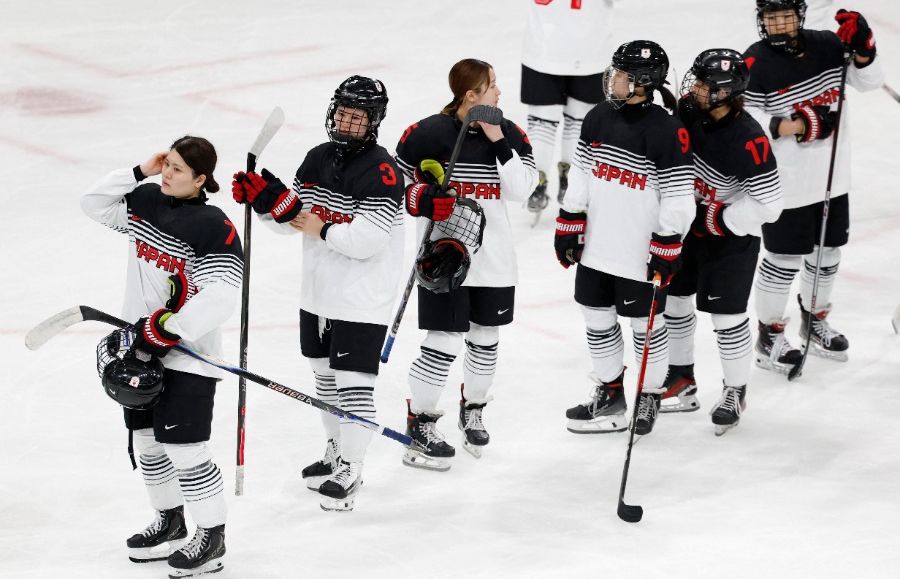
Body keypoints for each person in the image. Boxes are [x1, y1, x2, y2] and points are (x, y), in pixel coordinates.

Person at [232, 76, 404, 511]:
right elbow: (292, 219)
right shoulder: (316, 159)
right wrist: (268, 203)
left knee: (353, 386)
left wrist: (318, 225)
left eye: (357, 117)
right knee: (324, 379)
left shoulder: (383, 171)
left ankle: (352, 466)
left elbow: (367, 240)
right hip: (318, 293)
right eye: (343, 113)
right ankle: (335, 450)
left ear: (373, 122)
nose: (346, 123)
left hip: (363, 297)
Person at [81, 136, 241, 577]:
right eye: (166, 164)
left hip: (188, 356)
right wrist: (137, 172)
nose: (167, 174)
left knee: (185, 450)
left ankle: (212, 536)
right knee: (148, 445)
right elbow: (92, 203)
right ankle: (170, 522)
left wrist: (168, 329)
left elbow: (222, 296)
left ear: (201, 180)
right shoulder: (147, 200)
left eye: (177, 169)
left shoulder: (214, 226)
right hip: (140, 352)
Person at [395, 58, 538, 470]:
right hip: (445, 259)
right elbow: (398, 185)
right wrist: (420, 197)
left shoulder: (509, 132)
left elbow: (522, 190)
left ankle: (473, 407)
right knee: (443, 341)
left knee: (486, 337)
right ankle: (420, 419)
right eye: (491, 85)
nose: (499, 92)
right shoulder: (425, 133)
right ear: (470, 95)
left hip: (494, 260)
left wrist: (498, 140)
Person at [743, 0, 884, 374]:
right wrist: (798, 125)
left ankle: (814, 319)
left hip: (832, 178)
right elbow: (745, 122)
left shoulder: (825, 44)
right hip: (786, 185)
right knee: (784, 258)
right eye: (771, 18)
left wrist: (864, 50)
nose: (779, 25)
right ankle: (769, 334)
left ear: (800, 15)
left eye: (786, 16)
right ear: (761, 20)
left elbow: (867, 82)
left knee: (828, 253)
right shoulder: (755, 62)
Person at [555, 40, 694, 437]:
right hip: (597, 248)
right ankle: (610, 393)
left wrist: (667, 244)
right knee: (596, 318)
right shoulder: (597, 117)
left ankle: (649, 394)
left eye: (619, 74)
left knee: (644, 325)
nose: (611, 79)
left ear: (641, 82)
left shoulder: (668, 131)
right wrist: (570, 220)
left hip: (638, 253)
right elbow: (581, 175)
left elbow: (679, 197)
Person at [663, 49, 784, 435]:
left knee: (727, 318)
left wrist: (721, 218)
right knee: (675, 303)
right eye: (695, 79)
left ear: (726, 93)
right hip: (686, 229)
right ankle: (680, 376)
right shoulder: (687, 108)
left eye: (703, 84)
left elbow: (771, 203)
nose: (693, 88)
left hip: (728, 240)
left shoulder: (748, 138)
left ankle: (735, 390)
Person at [521, 0, 635, 216]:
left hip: (543, 44)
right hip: (590, 48)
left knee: (541, 120)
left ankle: (536, 183)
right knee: (579, 120)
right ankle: (571, 181)